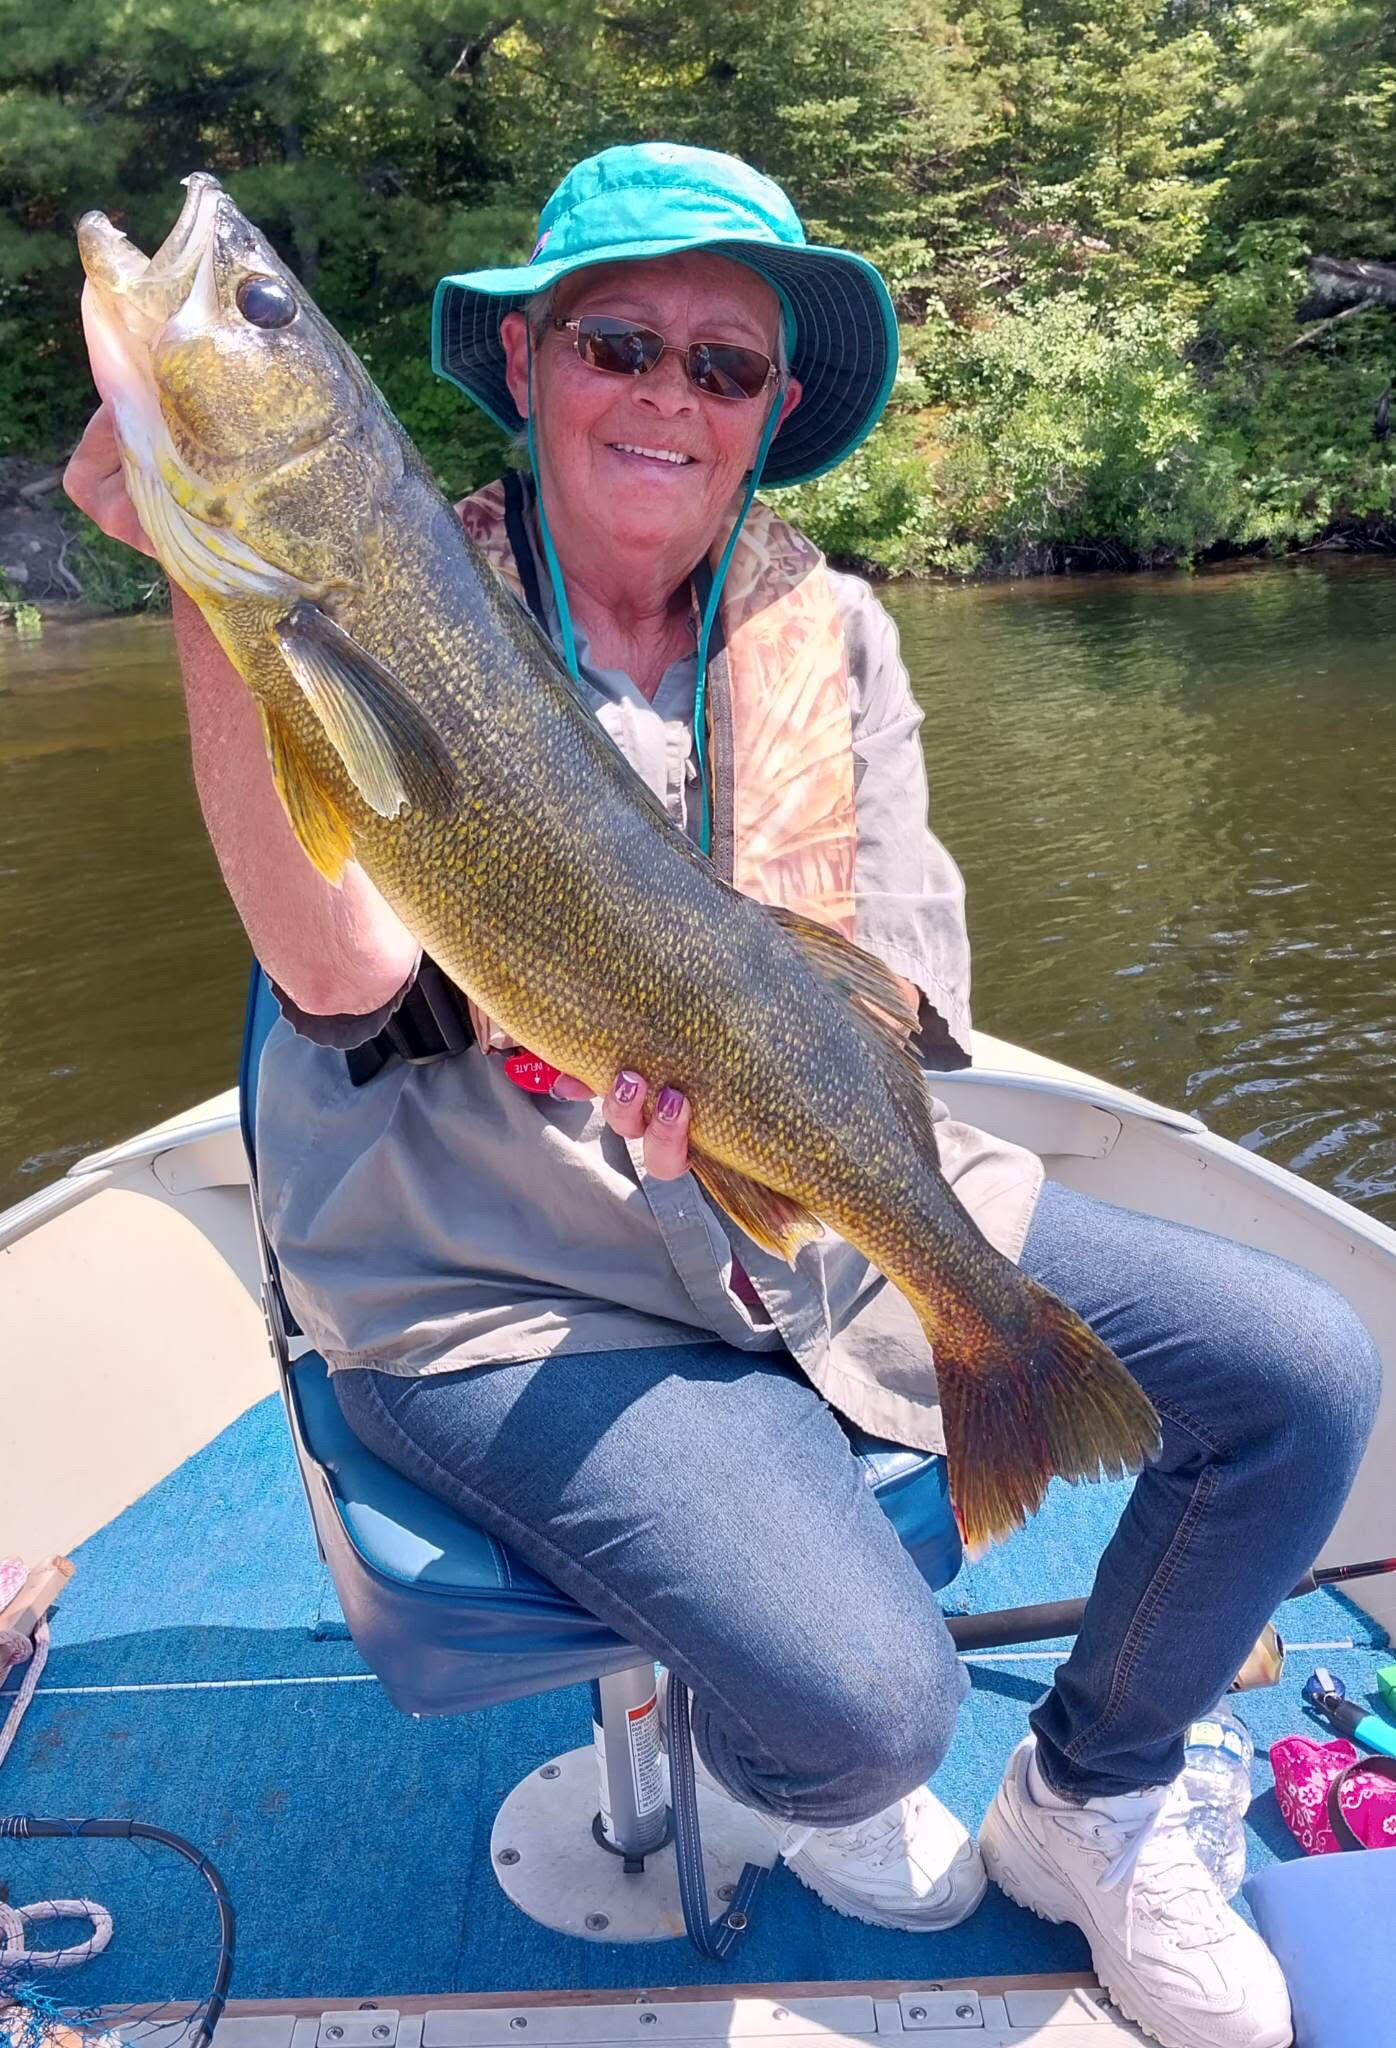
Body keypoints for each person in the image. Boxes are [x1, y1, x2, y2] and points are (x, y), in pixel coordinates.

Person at [69, 142, 1379, 2048]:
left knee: (1305, 1371)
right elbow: (344, 974)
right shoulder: (377, 585)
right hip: (503, 1272)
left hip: (788, 1200)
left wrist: (812, 1169)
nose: (671, 398)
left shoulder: (828, 625)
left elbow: (908, 1000)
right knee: (866, 1714)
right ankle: (805, 1779)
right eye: (621, 342)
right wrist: (209, 576)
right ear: (525, 365)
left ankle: (1090, 1798)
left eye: (727, 366)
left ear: (772, 410)